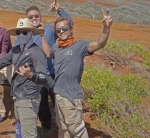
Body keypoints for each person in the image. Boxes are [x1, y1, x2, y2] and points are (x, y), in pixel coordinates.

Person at [41, 9, 113, 138]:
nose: (61, 31)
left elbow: (99, 44)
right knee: (63, 128)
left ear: (71, 29)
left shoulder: (79, 46)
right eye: (58, 30)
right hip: (58, 95)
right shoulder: (56, 48)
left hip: (71, 96)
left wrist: (106, 28)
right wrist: (42, 36)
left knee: (77, 131)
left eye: (64, 28)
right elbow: (47, 53)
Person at [14, 0, 73, 132]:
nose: (34, 18)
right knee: (42, 105)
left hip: (52, 74)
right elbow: (15, 53)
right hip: (35, 76)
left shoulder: (49, 29)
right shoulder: (23, 34)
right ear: (27, 19)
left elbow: (69, 25)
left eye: (36, 16)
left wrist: (60, 10)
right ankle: (47, 128)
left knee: (58, 101)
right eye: (30, 17)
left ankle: (65, 127)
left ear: (41, 17)